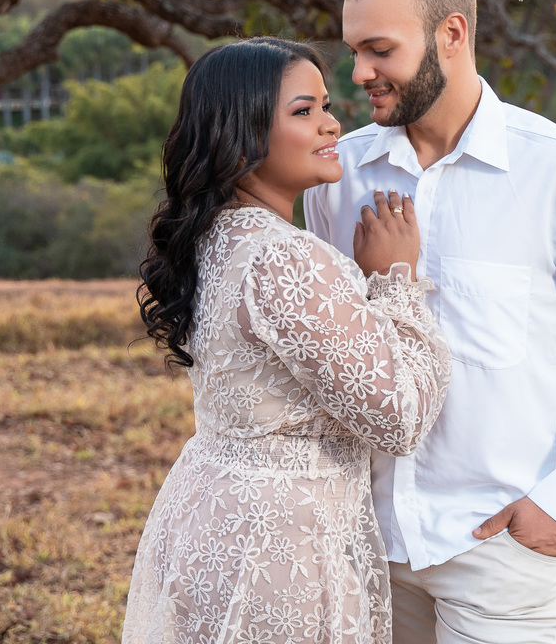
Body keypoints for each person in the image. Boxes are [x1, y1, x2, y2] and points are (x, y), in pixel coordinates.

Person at [304, 0, 556, 644]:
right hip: (367, 538)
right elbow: (332, 349)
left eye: (378, 49)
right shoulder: (339, 176)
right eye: (353, 52)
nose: (359, 72)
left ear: (452, 33)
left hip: (499, 542)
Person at [123, 37, 452, 644]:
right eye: (304, 111)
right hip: (275, 547)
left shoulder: (214, 240)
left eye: (326, 106)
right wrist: (394, 282)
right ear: (241, 132)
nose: (332, 125)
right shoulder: (286, 258)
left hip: (209, 517)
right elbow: (399, 419)